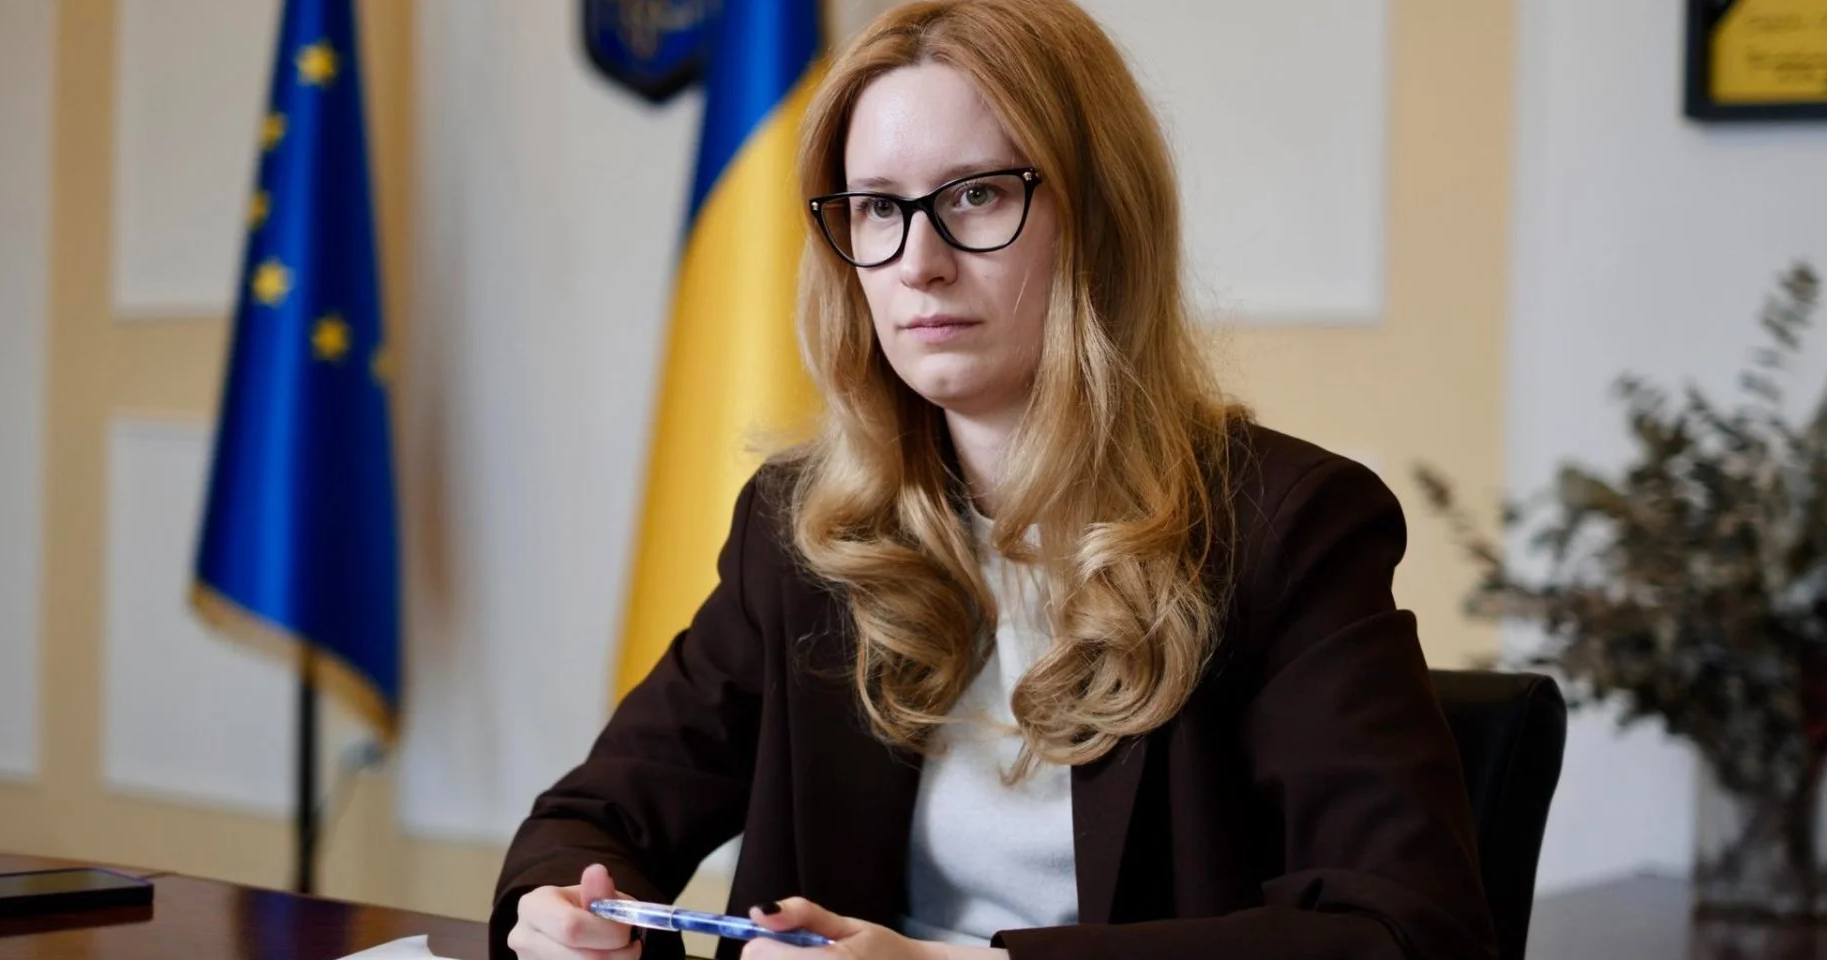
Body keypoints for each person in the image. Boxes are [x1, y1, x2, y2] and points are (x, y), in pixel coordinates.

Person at [494, 0, 1496, 957]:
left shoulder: (1283, 529)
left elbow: (1405, 932)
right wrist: (563, 911)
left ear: (1100, 218)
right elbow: (592, 819)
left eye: (976, 194)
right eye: (877, 207)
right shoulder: (805, 531)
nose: (918, 262)